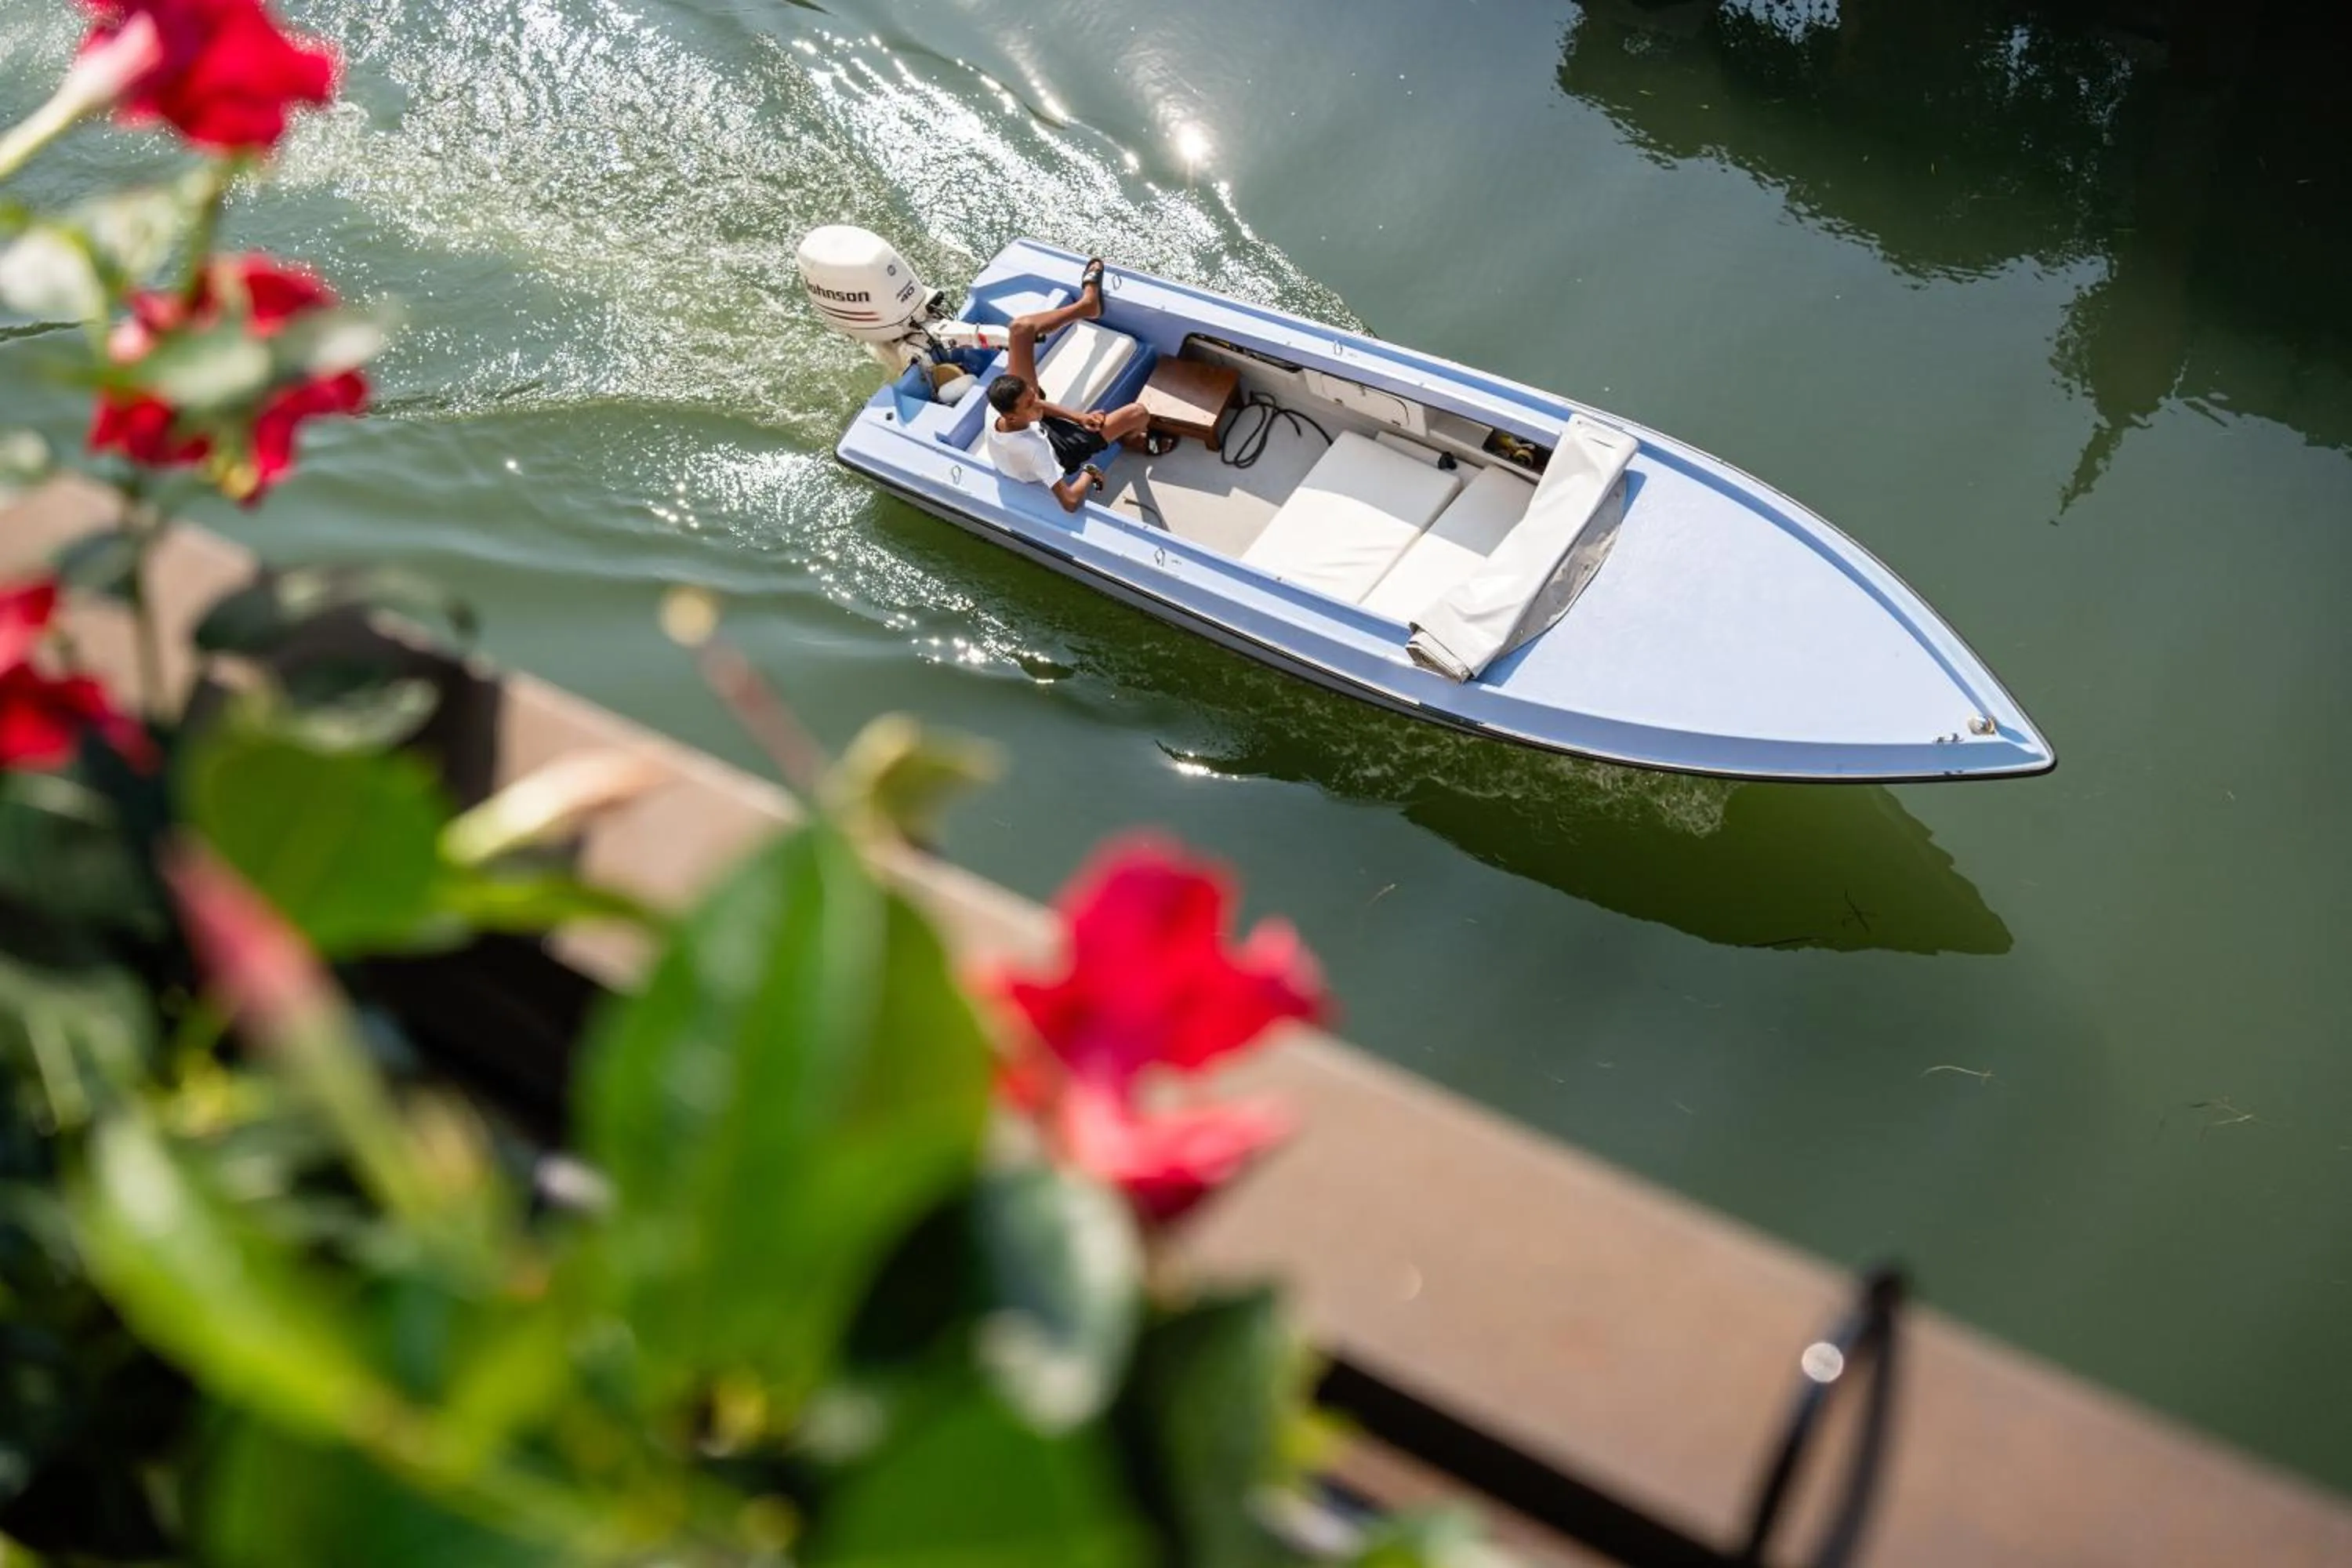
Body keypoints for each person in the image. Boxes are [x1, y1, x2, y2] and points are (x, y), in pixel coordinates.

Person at [983, 256, 1168, 513]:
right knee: (1138, 413)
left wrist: (1079, 417)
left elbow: (1036, 406)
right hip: (1057, 448)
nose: (1038, 399)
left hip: (1027, 429)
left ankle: (1088, 306)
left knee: (1021, 329)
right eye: (1030, 401)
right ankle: (1131, 438)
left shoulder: (999, 409)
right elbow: (1069, 502)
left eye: (1033, 395)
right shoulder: (1037, 451)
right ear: (1013, 416)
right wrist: (1091, 472)